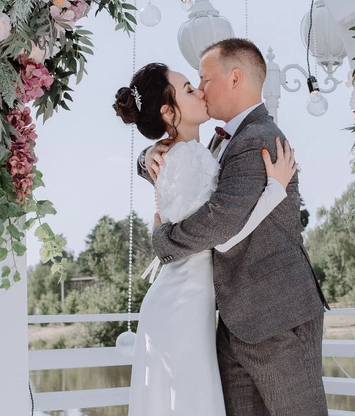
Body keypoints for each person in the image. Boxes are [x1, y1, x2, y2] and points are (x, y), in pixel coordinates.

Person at [142, 39, 330, 416]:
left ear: (235, 78)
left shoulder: (258, 138)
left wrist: (163, 241)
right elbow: (185, 175)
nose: (200, 89)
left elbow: (222, 219)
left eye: (204, 79)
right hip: (231, 321)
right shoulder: (218, 140)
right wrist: (147, 155)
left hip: (277, 316)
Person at [113, 62, 298, 416]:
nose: (199, 91)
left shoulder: (186, 153)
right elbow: (221, 234)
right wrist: (275, 191)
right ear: (169, 112)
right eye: (187, 90)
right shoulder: (189, 156)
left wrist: (148, 153)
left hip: (185, 301)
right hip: (182, 304)